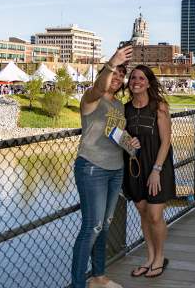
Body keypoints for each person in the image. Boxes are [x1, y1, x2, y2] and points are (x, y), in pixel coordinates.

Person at [71, 45, 132, 288]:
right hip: (92, 167)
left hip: (115, 168)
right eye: (113, 73)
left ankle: (98, 277)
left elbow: (116, 134)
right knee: (92, 226)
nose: (117, 78)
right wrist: (111, 62)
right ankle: (78, 283)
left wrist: (131, 142)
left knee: (105, 225)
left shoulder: (118, 105)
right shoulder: (91, 97)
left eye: (120, 74)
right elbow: (99, 87)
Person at [124, 65, 176, 279]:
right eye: (133, 78)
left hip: (157, 167)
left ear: (148, 82)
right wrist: (128, 142)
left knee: (155, 215)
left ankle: (160, 257)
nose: (136, 81)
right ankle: (150, 257)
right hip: (135, 168)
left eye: (141, 78)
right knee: (144, 213)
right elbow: (119, 137)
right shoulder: (124, 109)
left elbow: (166, 142)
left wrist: (156, 170)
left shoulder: (159, 106)